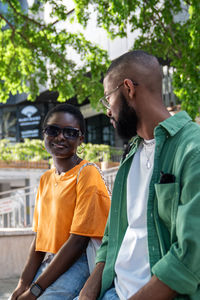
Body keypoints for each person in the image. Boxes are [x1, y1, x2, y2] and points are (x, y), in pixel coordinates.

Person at [74, 50, 200, 300]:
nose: (107, 110)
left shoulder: (192, 150)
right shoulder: (131, 154)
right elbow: (113, 237)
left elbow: (190, 255)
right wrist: (87, 293)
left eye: (108, 98)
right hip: (113, 291)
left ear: (129, 89)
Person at [10, 103, 110, 300]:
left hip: (80, 261)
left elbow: (78, 241)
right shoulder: (46, 179)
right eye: (53, 130)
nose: (60, 137)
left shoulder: (87, 173)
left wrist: (35, 290)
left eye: (70, 133)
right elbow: (39, 240)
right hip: (52, 261)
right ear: (44, 134)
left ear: (81, 139)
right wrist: (22, 284)